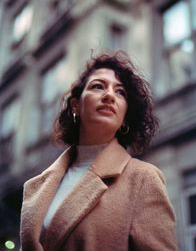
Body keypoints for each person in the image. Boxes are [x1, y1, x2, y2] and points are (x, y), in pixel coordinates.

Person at [20, 51, 178, 251]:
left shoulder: (143, 179)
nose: (110, 95)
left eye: (120, 92)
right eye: (98, 86)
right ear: (76, 105)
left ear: (125, 114)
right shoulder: (37, 186)